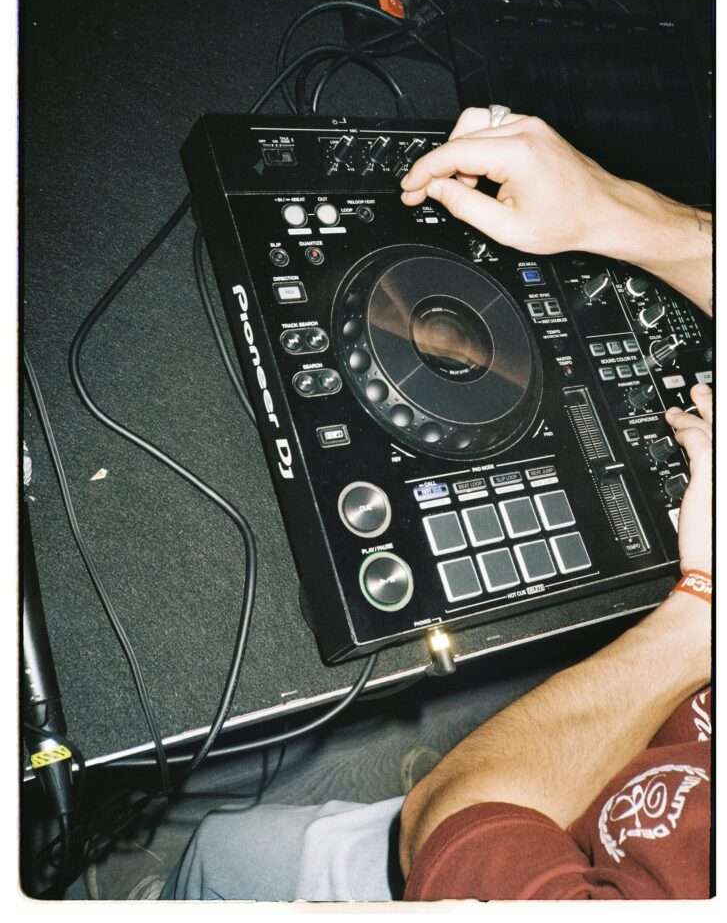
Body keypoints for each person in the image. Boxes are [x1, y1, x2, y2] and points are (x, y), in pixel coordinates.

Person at [160, 109, 713, 902]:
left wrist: (701, 611)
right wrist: (623, 212)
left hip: (527, 827)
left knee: (227, 855)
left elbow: (452, 829)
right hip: (619, 757)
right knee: (240, 847)